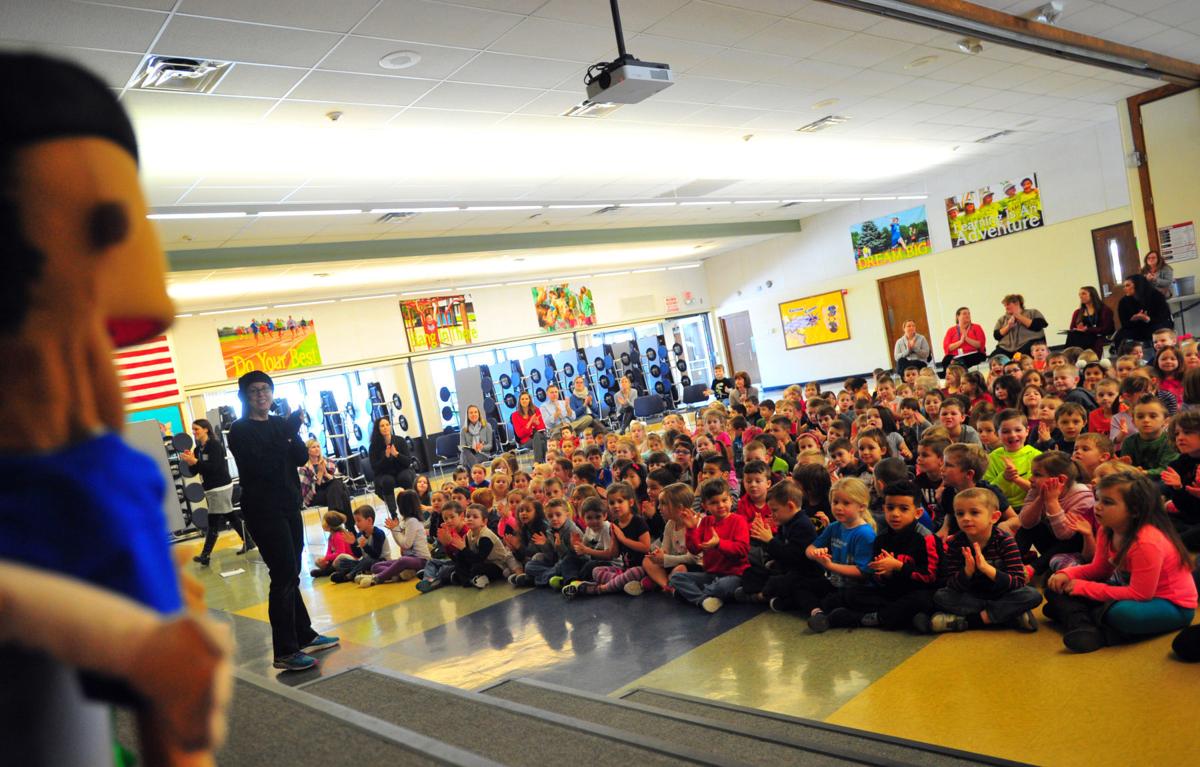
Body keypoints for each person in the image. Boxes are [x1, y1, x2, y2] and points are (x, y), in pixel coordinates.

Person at [226, 370, 337, 672]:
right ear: (244, 397)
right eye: (254, 391)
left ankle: (303, 633)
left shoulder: (279, 423)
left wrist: (294, 429)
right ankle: (285, 651)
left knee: (292, 572)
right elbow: (261, 465)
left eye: (266, 389)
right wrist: (287, 432)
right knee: (283, 574)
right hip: (263, 509)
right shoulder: (240, 430)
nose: (261, 395)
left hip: (289, 505)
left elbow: (301, 458)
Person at [1045, 471, 1196, 653]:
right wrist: (1066, 574)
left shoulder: (1146, 542)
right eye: (1098, 499)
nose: (1097, 507)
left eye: (1107, 502)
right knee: (1054, 589)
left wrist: (1083, 588)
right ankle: (1085, 625)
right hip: (1134, 593)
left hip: (1171, 606)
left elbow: (1140, 595)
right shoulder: (1106, 530)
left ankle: (1090, 627)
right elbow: (1099, 569)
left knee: (1123, 614)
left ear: (1135, 510)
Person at [915, 488, 1041, 634]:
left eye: (974, 512)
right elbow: (951, 584)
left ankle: (970, 621)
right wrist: (967, 573)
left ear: (994, 517)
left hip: (1002, 594)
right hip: (972, 597)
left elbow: (1018, 581)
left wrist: (988, 569)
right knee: (940, 596)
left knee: (1032, 595)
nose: (966, 518)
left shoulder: (1005, 541)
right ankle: (1009, 615)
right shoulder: (955, 543)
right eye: (960, 514)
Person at [669, 478, 751, 613]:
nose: (720, 505)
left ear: (731, 500)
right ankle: (703, 600)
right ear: (705, 506)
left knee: (721, 587)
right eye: (714, 502)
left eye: (724, 500)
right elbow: (695, 549)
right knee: (676, 578)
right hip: (711, 574)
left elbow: (742, 550)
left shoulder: (738, 520)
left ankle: (694, 595)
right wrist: (690, 529)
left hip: (735, 575)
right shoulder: (707, 521)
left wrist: (719, 544)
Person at [184, 418, 251, 565]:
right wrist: (191, 461)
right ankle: (249, 541)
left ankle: (205, 555)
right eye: (193, 429)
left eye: (197, 429)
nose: (194, 432)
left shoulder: (214, 446)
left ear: (206, 429)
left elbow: (214, 468)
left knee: (213, 521)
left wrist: (196, 462)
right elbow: (195, 471)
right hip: (211, 488)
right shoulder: (197, 450)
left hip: (220, 487)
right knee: (230, 515)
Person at [358, 490, 431, 586]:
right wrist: (395, 530)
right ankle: (398, 574)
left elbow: (406, 544)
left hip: (421, 560)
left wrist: (395, 530)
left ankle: (377, 578)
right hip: (409, 559)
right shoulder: (405, 521)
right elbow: (403, 545)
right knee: (375, 566)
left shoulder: (412, 521)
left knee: (402, 560)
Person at [369, 416, 414, 518]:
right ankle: (393, 513)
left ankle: (411, 508)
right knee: (387, 481)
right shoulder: (374, 446)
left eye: (387, 425)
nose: (385, 427)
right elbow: (375, 468)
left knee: (405, 478)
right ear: (378, 429)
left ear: (390, 426)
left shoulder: (400, 440)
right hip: (384, 473)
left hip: (401, 470)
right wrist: (386, 457)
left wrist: (397, 454)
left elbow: (408, 462)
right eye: (382, 426)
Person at [298, 439, 353, 521]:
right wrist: (320, 473)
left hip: (330, 492)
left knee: (337, 487)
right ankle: (349, 527)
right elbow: (310, 489)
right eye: (313, 447)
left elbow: (335, 478)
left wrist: (326, 473)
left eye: (318, 446)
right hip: (314, 495)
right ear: (308, 451)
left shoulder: (326, 461)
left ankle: (333, 520)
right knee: (342, 493)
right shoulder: (304, 467)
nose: (317, 449)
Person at [1116, 274, 1172, 351]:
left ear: (1137, 285)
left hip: (1155, 324)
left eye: (1128, 285)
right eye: (1124, 286)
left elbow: (1163, 317)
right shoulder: (1123, 302)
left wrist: (1148, 319)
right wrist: (1133, 319)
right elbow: (1124, 323)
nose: (1124, 288)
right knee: (1120, 336)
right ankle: (1127, 359)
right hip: (1136, 327)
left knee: (1157, 330)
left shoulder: (1156, 296)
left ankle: (1161, 354)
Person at [1065, 286, 1114, 354]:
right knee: (1072, 335)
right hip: (1082, 336)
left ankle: (1084, 358)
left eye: (1084, 294)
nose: (1081, 296)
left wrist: (1088, 329)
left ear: (1092, 295)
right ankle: (1070, 358)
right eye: (1079, 294)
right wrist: (1077, 329)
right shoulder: (1078, 312)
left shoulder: (1104, 310)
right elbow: (1072, 328)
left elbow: (1106, 329)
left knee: (1086, 340)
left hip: (1097, 336)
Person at [510, 391, 548, 463]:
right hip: (525, 441)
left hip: (538, 436)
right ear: (519, 401)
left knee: (539, 436)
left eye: (526, 399)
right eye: (522, 399)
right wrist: (530, 422)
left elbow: (542, 428)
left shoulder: (536, 410)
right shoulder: (515, 415)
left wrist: (537, 423)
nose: (524, 401)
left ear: (529, 400)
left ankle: (538, 463)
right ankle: (544, 461)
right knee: (542, 440)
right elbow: (520, 434)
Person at [458, 404, 493, 470]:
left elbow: (490, 445)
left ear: (479, 414)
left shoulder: (487, 426)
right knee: (465, 451)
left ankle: (465, 468)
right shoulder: (463, 430)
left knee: (466, 462)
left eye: (475, 412)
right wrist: (472, 448)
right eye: (471, 413)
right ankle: (476, 473)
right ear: (468, 415)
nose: (473, 414)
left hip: (483, 454)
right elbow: (462, 447)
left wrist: (482, 447)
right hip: (469, 454)